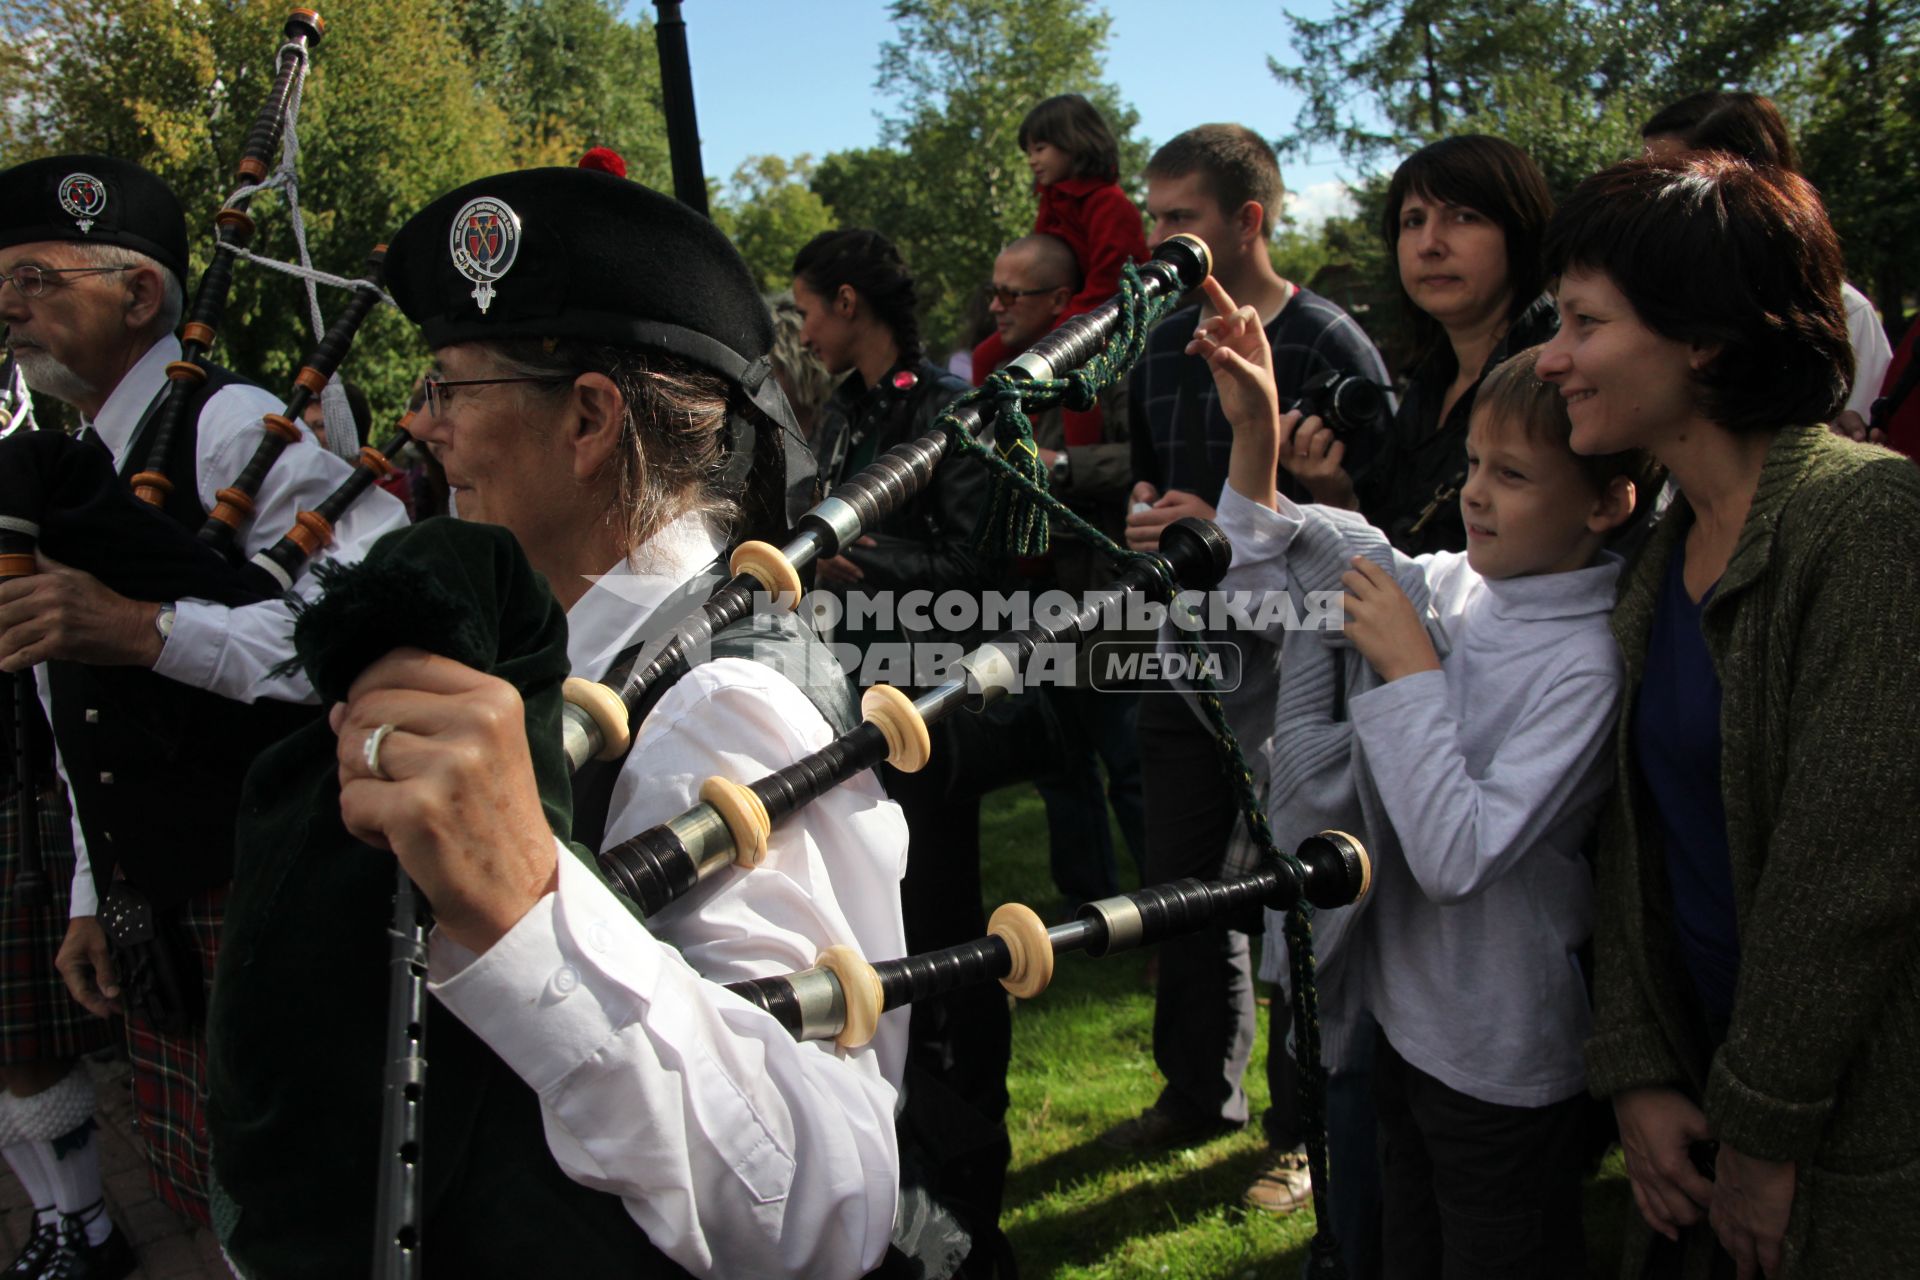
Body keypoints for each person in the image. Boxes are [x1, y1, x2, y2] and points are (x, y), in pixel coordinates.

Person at [212, 168, 912, 1279]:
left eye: (450, 386)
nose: (420, 422)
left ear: (587, 418)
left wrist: (529, 913)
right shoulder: (572, 647)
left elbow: (831, 1196)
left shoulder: (721, 705)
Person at [1206, 269, 1655, 1274]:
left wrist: (1410, 669)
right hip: (1402, 1024)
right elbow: (1266, 576)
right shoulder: (1458, 583)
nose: (1479, 493)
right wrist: (1256, 435)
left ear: (1610, 500)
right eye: (1475, 464)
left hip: (1503, 1059)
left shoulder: (1584, 658)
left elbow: (1457, 853)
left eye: (1517, 475)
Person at [0, 153, 405, 1240]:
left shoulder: (235, 427)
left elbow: (360, 637)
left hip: (263, 879)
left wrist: (146, 629)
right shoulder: (79, 457)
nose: (7, 309)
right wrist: (97, 886)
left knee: (305, 1198)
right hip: (165, 889)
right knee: (223, 1192)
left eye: (37, 279)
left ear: (138, 294)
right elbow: (75, 707)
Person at [1539, 154, 1920, 1280]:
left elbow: (1847, 875)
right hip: (1701, 1098)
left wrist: (1763, 1126)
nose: (1552, 356)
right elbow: (1635, 839)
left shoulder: (1869, 524)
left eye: (1583, 321)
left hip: (1845, 1131)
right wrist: (1644, 1071)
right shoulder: (1660, 548)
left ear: (1703, 337)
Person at [1107, 125, 1390, 1216]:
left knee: (1299, 897)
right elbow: (1143, 477)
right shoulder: (1162, 340)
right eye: (1154, 218)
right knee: (1182, 886)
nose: (1160, 240)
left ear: (1249, 221)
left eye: (1181, 218)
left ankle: (1303, 1127)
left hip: (1305, 671)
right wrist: (1150, 519)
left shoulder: (1329, 345)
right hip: (1185, 657)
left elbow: (1381, 525)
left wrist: (1245, 516)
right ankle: (1196, 1091)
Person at [794, 227, 1023, 1275]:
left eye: (807, 308)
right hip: (851, 706)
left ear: (850, 301)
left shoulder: (949, 408)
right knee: (877, 926)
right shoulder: (843, 408)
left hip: (934, 712)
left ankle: (973, 1156)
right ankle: (907, 1148)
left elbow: (977, 567)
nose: (801, 330)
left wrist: (854, 561)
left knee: (948, 936)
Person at [981, 232, 1144, 907]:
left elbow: (1147, 460)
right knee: (1060, 765)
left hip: (1105, 594)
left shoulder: (1113, 367)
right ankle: (1090, 916)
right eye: (994, 290)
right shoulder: (1010, 379)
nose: (994, 306)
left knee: (1130, 766)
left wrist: (1067, 469)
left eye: (1010, 293)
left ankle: (1174, 916)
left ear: (1057, 300)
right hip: (1035, 593)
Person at [1342, 135, 1559, 556]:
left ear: (1521, 231)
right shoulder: (1431, 378)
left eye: (1464, 217)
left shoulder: (1557, 373)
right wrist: (1335, 496)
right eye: (1413, 221)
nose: (1430, 244)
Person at [1638, 91, 1894, 426]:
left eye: (1671, 180)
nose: (1647, 203)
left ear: (1743, 183)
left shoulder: (1844, 316)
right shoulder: (1646, 301)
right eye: (1644, 181)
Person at [971, 93, 1148, 446]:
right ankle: (981, 432)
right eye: (1029, 153)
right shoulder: (1053, 199)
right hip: (1067, 308)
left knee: (1069, 373)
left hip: (1104, 312)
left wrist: (1064, 325)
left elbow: (1111, 277)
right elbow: (1047, 257)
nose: (1033, 161)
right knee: (984, 355)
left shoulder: (1109, 204)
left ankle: (1077, 450)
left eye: (1040, 148)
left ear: (1074, 142)